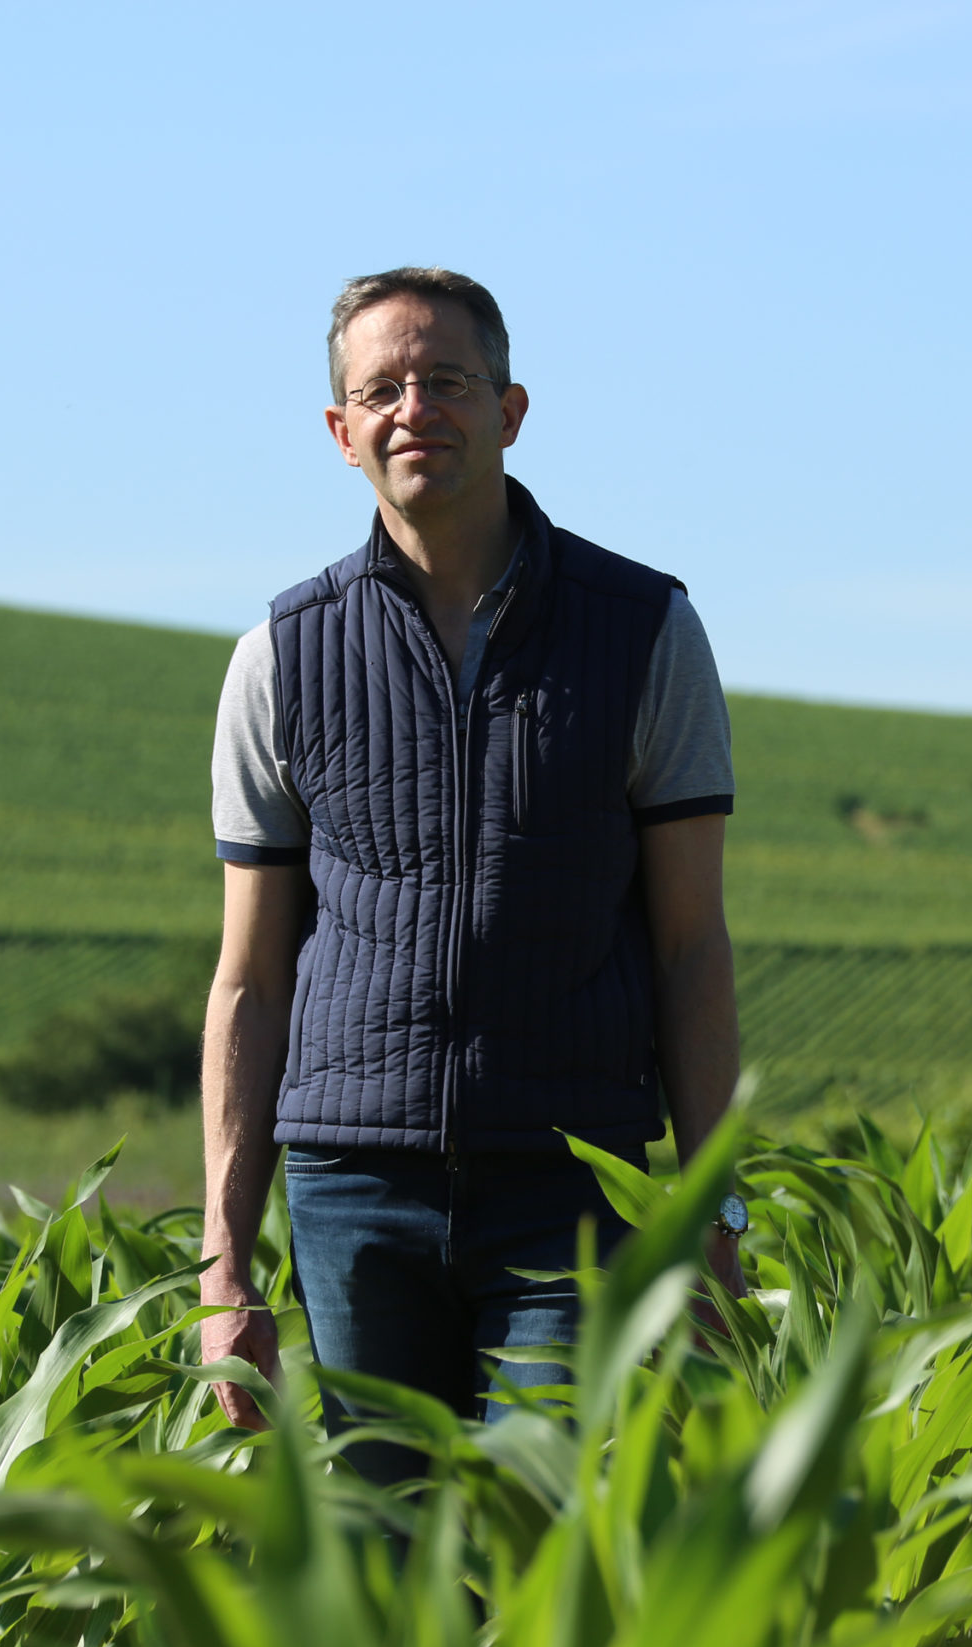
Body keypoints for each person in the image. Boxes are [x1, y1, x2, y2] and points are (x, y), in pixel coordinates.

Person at [196, 267, 746, 1481]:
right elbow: (250, 980)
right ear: (341, 435)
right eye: (379, 389)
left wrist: (714, 1214)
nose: (413, 410)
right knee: (387, 1563)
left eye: (445, 381)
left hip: (572, 1183)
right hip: (352, 1186)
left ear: (511, 407)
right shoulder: (279, 656)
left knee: (538, 1530)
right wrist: (225, 1264)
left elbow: (690, 947)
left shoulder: (646, 631)